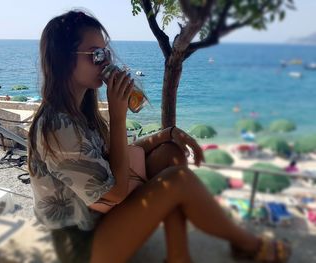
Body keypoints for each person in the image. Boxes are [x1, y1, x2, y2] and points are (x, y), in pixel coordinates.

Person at [27, 10, 291, 263]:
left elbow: (113, 158)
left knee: (170, 153)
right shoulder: (56, 126)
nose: (106, 61)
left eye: (106, 52)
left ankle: (178, 257)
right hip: (83, 245)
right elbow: (114, 194)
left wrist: (166, 134)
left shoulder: (82, 111)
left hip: (101, 219)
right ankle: (249, 245)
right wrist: (119, 118)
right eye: (96, 55)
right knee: (176, 180)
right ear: (63, 59)